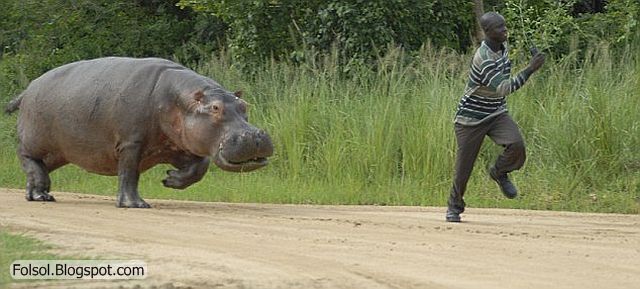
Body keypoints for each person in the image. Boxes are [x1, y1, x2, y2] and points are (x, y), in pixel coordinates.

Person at [446, 12, 545, 222]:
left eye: (504, 26)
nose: (505, 30)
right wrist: (530, 69)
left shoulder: (502, 47)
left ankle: (499, 172)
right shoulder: (483, 57)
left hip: (495, 111)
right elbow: (503, 87)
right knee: (464, 167)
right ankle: (454, 206)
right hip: (470, 118)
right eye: (500, 28)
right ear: (488, 33)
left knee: (517, 144)